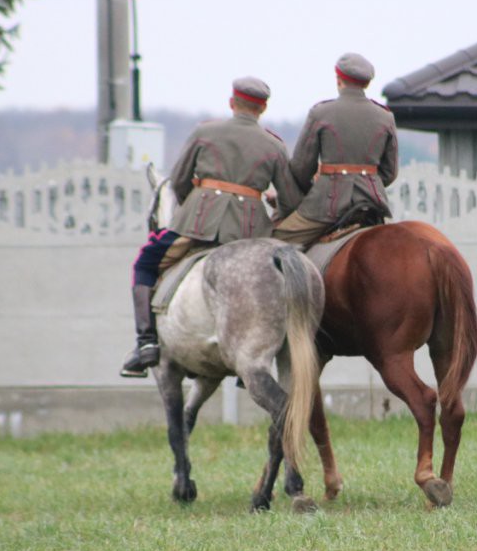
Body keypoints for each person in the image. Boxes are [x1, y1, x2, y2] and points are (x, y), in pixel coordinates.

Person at [120, 77, 302, 378]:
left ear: (232, 102)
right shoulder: (274, 145)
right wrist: (271, 203)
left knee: (145, 263)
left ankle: (146, 344)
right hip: (250, 232)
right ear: (263, 108)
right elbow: (291, 198)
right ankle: (264, 353)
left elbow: (177, 182)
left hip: (198, 224)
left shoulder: (205, 132)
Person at [272, 52, 399, 245]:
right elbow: (389, 172)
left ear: (339, 80)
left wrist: (310, 192)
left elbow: (301, 167)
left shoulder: (321, 112)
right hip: (372, 204)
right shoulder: (385, 117)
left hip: (325, 204)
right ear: (366, 83)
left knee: (276, 240)